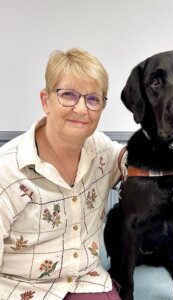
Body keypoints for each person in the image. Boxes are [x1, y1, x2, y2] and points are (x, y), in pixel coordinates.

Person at [0, 48, 126, 300]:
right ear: (45, 100)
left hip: (84, 282)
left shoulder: (101, 149)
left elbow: (130, 161)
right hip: (20, 288)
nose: (81, 109)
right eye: (68, 95)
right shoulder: (8, 171)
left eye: (93, 99)